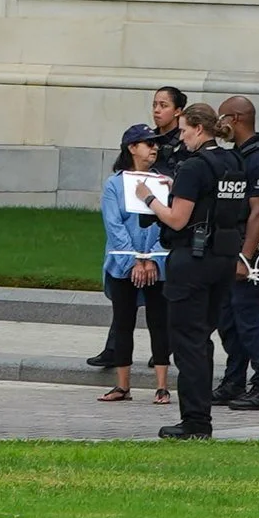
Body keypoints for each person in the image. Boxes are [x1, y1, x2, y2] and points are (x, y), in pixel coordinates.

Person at [147, 103, 248, 441]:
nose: (182, 136)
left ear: (199, 129)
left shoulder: (194, 166)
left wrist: (149, 198)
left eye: (186, 129)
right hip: (223, 257)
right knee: (202, 338)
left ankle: (195, 422)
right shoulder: (233, 160)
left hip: (192, 259)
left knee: (187, 342)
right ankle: (199, 416)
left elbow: (177, 218)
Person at [93, 123, 170, 405]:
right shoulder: (115, 184)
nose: (154, 149)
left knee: (159, 323)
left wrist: (151, 258)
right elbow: (114, 225)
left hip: (157, 265)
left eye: (156, 144)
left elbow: (167, 222)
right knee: (123, 322)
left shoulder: (163, 182)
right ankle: (122, 385)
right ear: (132, 147)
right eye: (148, 143)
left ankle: (162, 386)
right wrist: (134, 260)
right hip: (122, 265)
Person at [212, 96, 259, 412]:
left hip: (249, 247)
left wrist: (245, 257)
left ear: (236, 118)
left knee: (249, 315)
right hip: (231, 246)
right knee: (228, 316)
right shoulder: (237, 155)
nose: (218, 124)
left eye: (221, 117)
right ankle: (234, 381)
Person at [147, 85, 188, 171]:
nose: (156, 110)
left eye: (163, 105)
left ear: (177, 111)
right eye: (154, 105)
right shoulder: (147, 138)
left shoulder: (186, 141)